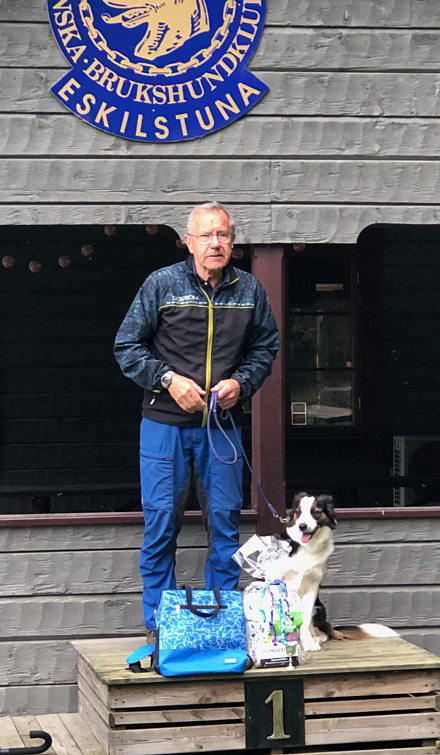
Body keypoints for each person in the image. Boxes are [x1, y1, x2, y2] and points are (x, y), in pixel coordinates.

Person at [114, 201, 280, 637]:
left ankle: (220, 630)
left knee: (225, 528)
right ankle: (162, 632)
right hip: (163, 425)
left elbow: (266, 347)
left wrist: (241, 383)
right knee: (160, 528)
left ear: (233, 242)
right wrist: (167, 380)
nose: (215, 243)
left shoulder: (250, 290)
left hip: (221, 428)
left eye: (223, 235)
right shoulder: (161, 284)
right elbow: (127, 347)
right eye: (206, 235)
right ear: (188, 242)